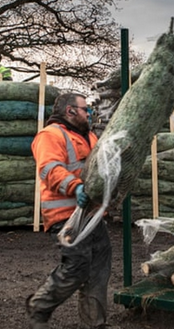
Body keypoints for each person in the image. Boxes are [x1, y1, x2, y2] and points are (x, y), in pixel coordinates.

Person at [26, 93, 111, 329]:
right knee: (77, 268)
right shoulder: (50, 135)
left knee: (99, 270)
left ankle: (94, 323)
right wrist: (75, 186)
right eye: (85, 109)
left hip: (92, 216)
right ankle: (39, 305)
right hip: (66, 217)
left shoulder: (89, 136)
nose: (89, 113)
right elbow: (49, 168)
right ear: (70, 111)